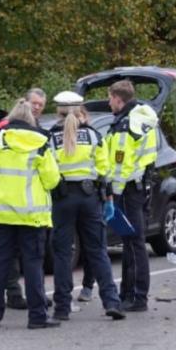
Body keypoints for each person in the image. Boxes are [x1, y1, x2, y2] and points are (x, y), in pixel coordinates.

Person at [0, 99, 61, 329]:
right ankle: (37, 317)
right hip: (32, 216)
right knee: (33, 266)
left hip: (1, 215)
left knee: (0, 263)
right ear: (30, 120)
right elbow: (52, 180)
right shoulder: (41, 142)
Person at [48, 91, 125, 321]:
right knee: (97, 250)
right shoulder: (93, 135)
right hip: (90, 197)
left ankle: (62, 307)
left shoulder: (50, 138)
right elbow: (104, 169)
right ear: (80, 110)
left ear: (58, 111)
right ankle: (112, 302)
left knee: (62, 254)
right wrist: (108, 197)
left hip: (62, 198)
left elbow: (48, 172)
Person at [105, 80, 158, 312]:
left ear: (118, 98)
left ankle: (136, 296)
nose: (109, 103)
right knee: (130, 243)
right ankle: (128, 293)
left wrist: (113, 194)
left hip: (126, 189)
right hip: (138, 186)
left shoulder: (126, 125)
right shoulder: (141, 119)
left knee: (134, 243)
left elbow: (120, 164)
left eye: (110, 99)